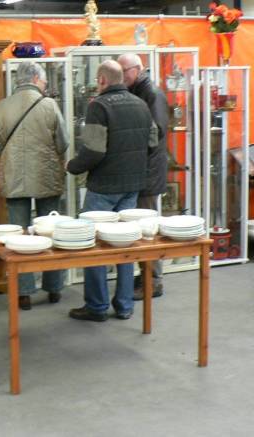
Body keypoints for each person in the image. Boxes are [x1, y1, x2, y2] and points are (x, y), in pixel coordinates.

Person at [66, 60, 157, 322]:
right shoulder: (140, 104)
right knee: (125, 244)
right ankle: (125, 305)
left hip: (104, 187)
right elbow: (153, 142)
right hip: (132, 186)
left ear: (103, 80)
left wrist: (72, 166)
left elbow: (94, 150)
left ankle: (96, 306)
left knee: (93, 244)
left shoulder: (99, 106)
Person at [0, 62, 69, 311]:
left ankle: (23, 292)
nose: (45, 85)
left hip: (14, 176)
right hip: (46, 176)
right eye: (44, 81)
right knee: (50, 231)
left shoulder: (1, 107)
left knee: (18, 235)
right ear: (36, 78)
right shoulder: (49, 105)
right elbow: (64, 142)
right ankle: (53, 287)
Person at [117, 53, 169, 301]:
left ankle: (154, 281)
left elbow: (156, 133)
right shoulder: (139, 91)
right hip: (142, 169)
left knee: (147, 228)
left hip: (148, 171)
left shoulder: (152, 94)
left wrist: (130, 148)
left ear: (137, 69)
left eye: (124, 71)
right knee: (140, 225)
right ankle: (146, 275)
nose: (121, 75)